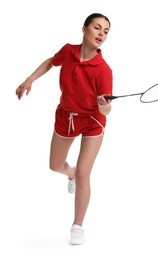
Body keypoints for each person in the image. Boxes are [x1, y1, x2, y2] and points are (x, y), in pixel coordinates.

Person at [15, 13, 112, 245]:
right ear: (84, 29)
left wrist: (104, 105)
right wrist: (30, 79)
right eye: (97, 28)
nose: (101, 34)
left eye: (106, 31)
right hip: (66, 115)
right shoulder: (68, 51)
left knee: (83, 174)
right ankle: (70, 174)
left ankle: (77, 225)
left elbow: (107, 110)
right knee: (55, 165)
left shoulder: (103, 70)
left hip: (92, 120)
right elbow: (51, 61)